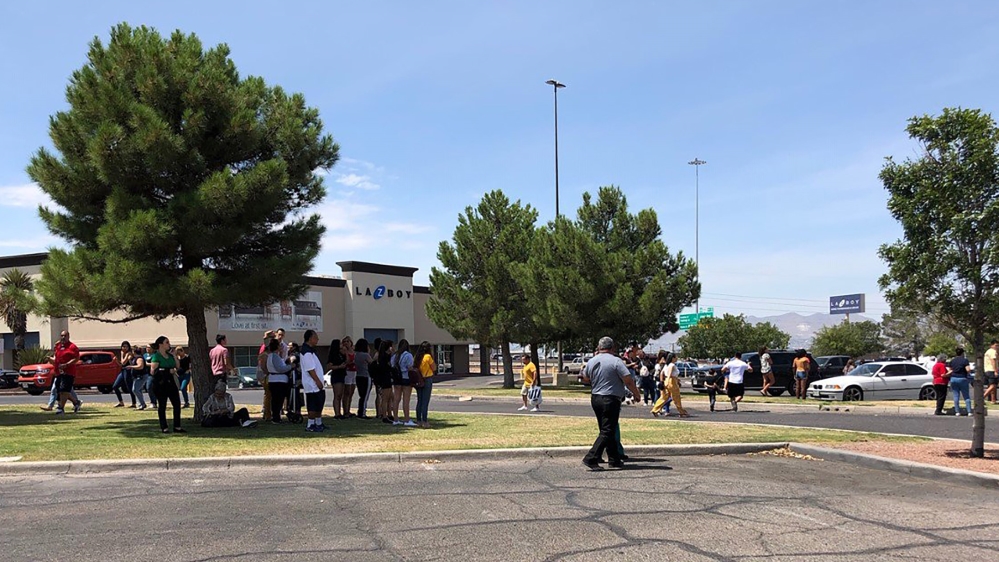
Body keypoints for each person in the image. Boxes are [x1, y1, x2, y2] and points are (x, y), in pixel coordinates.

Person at [581, 337, 641, 471]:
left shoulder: (592, 361)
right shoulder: (616, 361)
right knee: (608, 430)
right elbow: (628, 379)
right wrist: (636, 394)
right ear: (612, 348)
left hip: (595, 398)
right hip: (610, 398)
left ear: (599, 347)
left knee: (608, 429)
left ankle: (614, 459)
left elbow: (585, 377)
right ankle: (591, 457)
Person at [149, 335, 185, 434]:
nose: (169, 344)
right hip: (160, 383)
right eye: (167, 342)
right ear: (161, 345)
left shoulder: (170, 356)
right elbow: (153, 371)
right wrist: (166, 371)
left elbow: (177, 366)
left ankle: (177, 426)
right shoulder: (156, 356)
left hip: (171, 382)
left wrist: (174, 356)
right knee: (162, 405)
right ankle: (164, 427)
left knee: (177, 404)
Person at [49, 330, 82, 415]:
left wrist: (67, 364)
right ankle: (76, 402)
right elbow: (56, 358)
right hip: (58, 372)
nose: (63, 337)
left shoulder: (72, 347)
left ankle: (60, 408)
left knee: (64, 390)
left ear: (68, 336)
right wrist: (50, 359)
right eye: (62, 336)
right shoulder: (59, 346)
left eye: (65, 336)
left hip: (69, 372)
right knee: (59, 390)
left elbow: (76, 358)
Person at [300, 329, 327, 432]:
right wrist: (317, 381)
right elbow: (310, 369)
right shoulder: (306, 352)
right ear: (310, 338)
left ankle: (318, 423)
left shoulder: (311, 351)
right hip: (312, 384)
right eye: (315, 337)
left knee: (319, 402)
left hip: (316, 384)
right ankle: (310, 424)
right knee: (313, 404)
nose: (317, 339)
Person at [266, 338, 296, 423]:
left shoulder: (271, 356)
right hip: (278, 381)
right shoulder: (275, 356)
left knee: (276, 400)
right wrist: (291, 366)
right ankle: (276, 417)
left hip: (274, 380)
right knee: (278, 400)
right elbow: (280, 369)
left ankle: (276, 416)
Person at [392, 339, 416, 427]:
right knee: (406, 400)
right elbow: (410, 367)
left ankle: (395, 419)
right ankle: (407, 419)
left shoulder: (395, 356)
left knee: (396, 399)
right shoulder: (408, 355)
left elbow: (392, 366)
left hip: (397, 379)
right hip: (406, 378)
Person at [414, 341, 436, 428]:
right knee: (425, 401)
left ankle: (418, 420)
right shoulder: (428, 357)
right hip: (427, 379)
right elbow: (434, 367)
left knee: (419, 400)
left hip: (418, 379)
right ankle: (425, 421)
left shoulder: (417, 357)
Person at [373, 340, 395, 423]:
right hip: (384, 378)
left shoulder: (384, 356)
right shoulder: (384, 357)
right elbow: (388, 367)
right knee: (385, 398)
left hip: (386, 378)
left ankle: (389, 414)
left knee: (389, 397)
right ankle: (384, 416)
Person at [326, 339, 347, 419]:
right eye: (341, 344)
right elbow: (329, 366)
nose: (342, 345)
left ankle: (340, 412)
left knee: (341, 395)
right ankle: (337, 413)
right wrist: (339, 367)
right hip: (336, 375)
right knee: (337, 395)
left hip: (342, 375)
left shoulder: (341, 354)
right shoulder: (333, 355)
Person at [947, 347, 972, 416]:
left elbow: (950, 370)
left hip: (953, 378)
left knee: (956, 396)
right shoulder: (965, 360)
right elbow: (968, 370)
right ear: (962, 353)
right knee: (966, 396)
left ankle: (957, 411)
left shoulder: (952, 361)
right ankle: (969, 411)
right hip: (962, 378)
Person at [353, 338, 374, 419]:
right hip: (366, 376)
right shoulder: (366, 355)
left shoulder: (356, 354)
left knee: (361, 395)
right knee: (365, 396)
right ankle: (362, 413)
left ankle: (360, 411)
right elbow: (372, 363)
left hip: (358, 376)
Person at [111, 340, 136, 408]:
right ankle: (121, 402)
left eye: (126, 347)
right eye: (123, 346)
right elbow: (121, 364)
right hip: (123, 371)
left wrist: (122, 355)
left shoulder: (129, 353)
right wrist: (116, 361)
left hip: (128, 371)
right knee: (115, 386)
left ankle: (134, 403)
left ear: (128, 347)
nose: (124, 348)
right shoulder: (123, 353)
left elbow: (124, 362)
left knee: (130, 387)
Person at [127, 344, 148, 410]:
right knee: (137, 390)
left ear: (134, 351)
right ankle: (141, 404)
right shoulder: (135, 358)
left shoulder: (139, 358)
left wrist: (131, 367)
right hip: (137, 376)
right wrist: (130, 360)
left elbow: (140, 366)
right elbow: (134, 365)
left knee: (135, 390)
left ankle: (142, 404)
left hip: (141, 376)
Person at [342, 336, 357, 417]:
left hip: (354, 371)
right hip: (348, 371)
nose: (347, 343)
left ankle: (349, 409)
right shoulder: (345, 351)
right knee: (347, 392)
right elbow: (347, 361)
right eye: (345, 341)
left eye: (348, 341)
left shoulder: (354, 351)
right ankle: (345, 411)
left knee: (351, 392)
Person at [985, 340, 998, 405]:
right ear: (991, 345)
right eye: (996, 345)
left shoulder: (988, 351)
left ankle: (993, 400)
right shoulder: (993, 351)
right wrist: (996, 371)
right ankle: (982, 397)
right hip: (991, 370)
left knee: (992, 385)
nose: (997, 347)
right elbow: (993, 361)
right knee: (993, 385)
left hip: (987, 370)